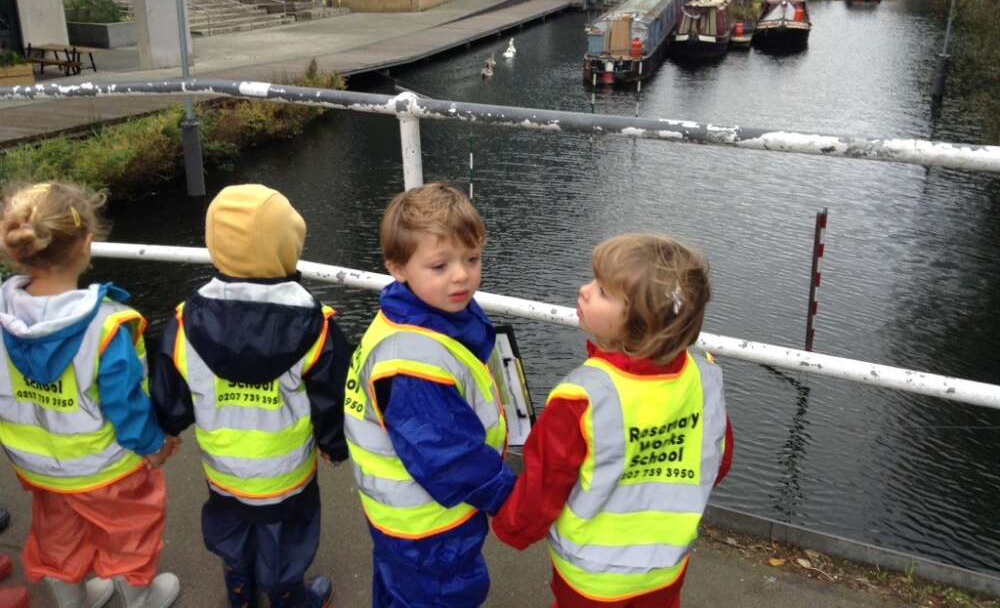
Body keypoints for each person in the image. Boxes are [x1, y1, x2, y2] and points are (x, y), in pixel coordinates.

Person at [492, 233, 734, 607]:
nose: (584, 290)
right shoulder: (705, 381)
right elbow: (717, 461)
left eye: (603, 291)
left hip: (591, 576)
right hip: (665, 568)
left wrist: (513, 527)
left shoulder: (582, 398)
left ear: (640, 323)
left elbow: (546, 483)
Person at [151, 184, 350, 608]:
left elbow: (171, 390)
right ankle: (286, 597)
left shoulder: (186, 321)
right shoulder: (316, 325)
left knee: (231, 530)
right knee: (287, 539)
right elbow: (331, 398)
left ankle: (239, 593)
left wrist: (167, 427)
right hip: (286, 470)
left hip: (223, 467)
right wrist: (335, 444)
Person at [0, 182, 180, 608]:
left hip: (39, 468)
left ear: (16, 248)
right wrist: (153, 446)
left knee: (57, 537)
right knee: (131, 533)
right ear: (87, 244)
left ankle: (73, 601)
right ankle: (140, 598)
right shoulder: (107, 326)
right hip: (106, 468)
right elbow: (126, 404)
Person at [344, 182, 515, 607]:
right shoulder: (411, 365)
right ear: (397, 268)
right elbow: (447, 455)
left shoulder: (423, 316)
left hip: (405, 520)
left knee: (399, 591)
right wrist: (513, 499)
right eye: (440, 266)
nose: (461, 275)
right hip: (430, 526)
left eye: (472, 259)